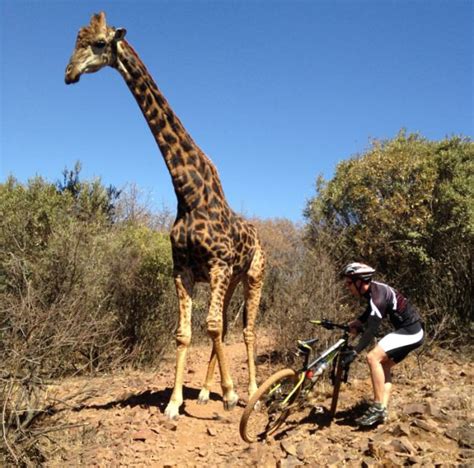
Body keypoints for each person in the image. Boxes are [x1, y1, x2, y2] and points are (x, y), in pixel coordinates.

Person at [340, 262, 424, 426]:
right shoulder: (374, 290)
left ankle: (377, 407)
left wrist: (355, 351)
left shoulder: (377, 297)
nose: (347, 286)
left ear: (360, 281)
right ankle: (382, 411)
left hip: (411, 332)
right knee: (383, 365)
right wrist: (359, 321)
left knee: (373, 357)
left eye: (349, 282)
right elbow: (370, 312)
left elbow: (371, 331)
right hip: (412, 331)